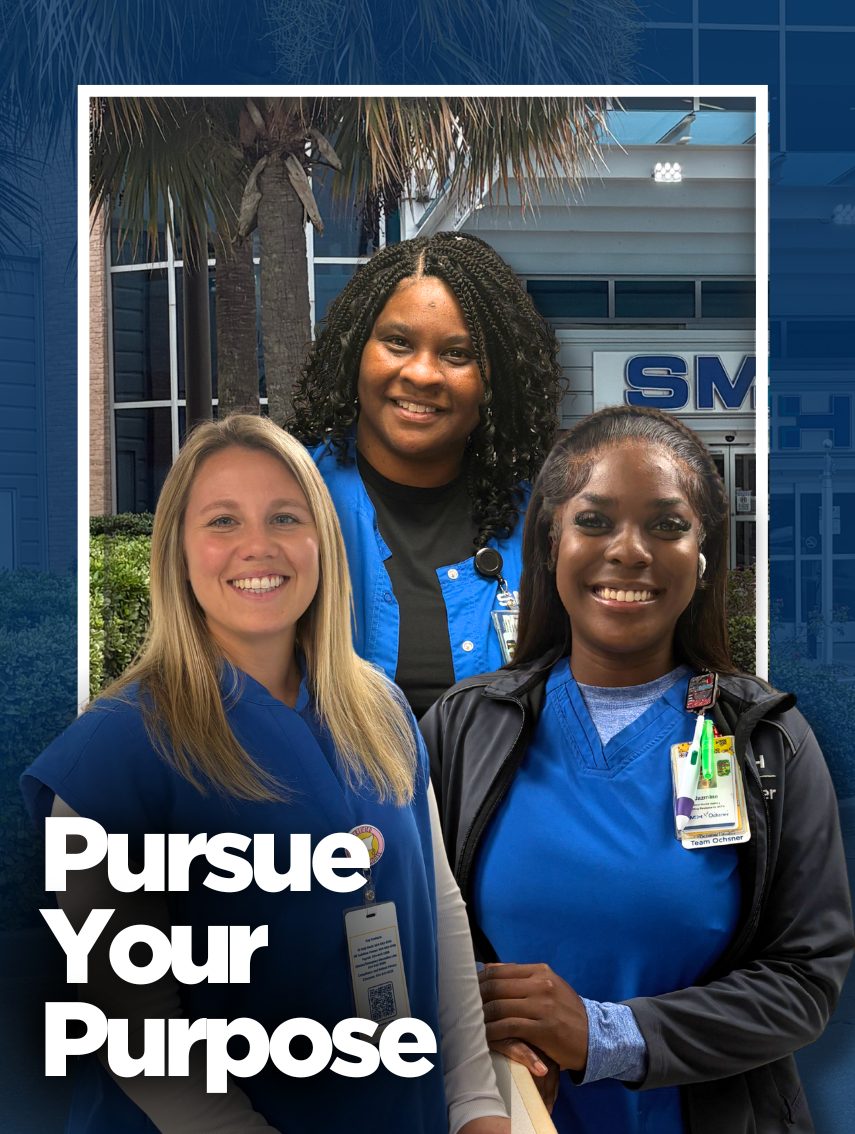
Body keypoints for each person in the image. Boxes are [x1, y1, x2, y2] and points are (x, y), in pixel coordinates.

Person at [22, 415, 510, 1134]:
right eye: (223, 521)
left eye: (286, 516)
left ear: (322, 541)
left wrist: (475, 1106)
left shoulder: (378, 709)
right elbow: (141, 1041)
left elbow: (435, 914)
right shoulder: (111, 758)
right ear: (178, 553)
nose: (259, 546)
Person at [421, 404, 855, 1134]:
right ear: (551, 543)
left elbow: (803, 980)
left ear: (703, 552)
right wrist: (476, 1038)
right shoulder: (463, 728)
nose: (629, 551)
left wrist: (601, 1035)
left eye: (665, 524)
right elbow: (401, 942)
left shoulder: (767, 741)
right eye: (593, 522)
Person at [289, 231, 564, 719]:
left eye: (456, 354)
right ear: (357, 350)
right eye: (398, 342)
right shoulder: (287, 500)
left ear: (494, 379)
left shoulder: (544, 524)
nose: (422, 374)